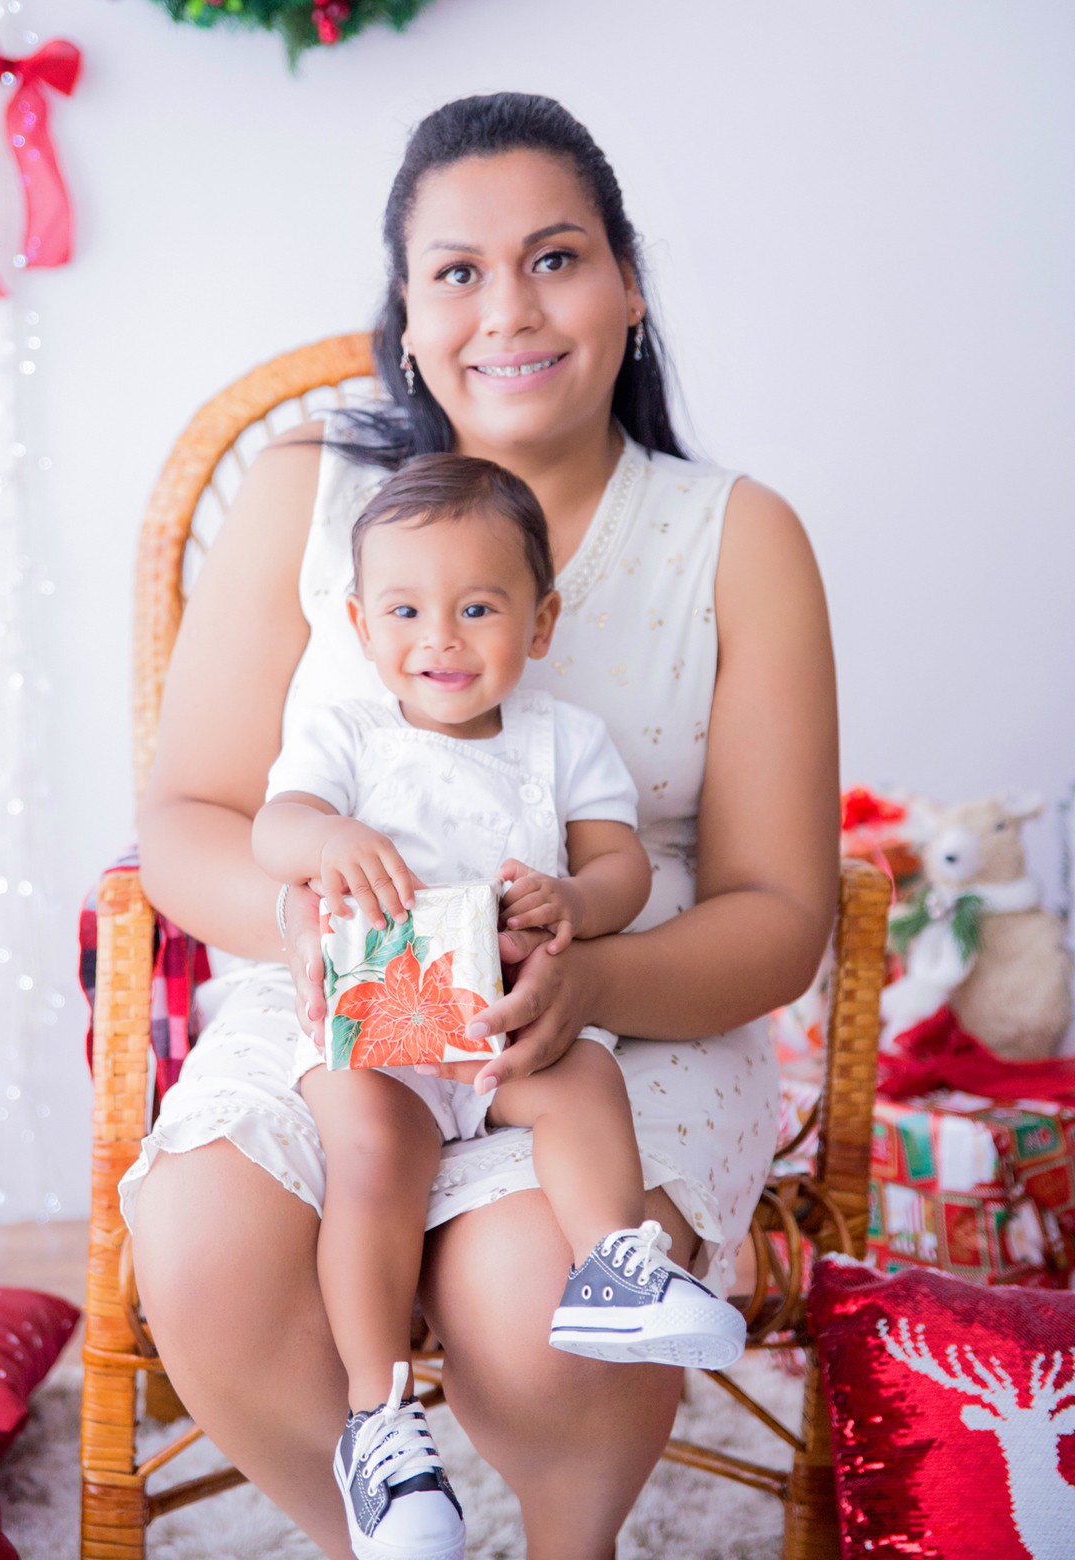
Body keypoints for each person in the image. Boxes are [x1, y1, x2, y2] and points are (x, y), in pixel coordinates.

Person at [125, 93, 838, 1560]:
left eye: (556, 257)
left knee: (537, 1310)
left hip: (618, 1011)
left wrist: (588, 975)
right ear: (405, 307)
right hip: (330, 991)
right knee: (200, 1241)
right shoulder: (306, 499)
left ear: (630, 285)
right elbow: (191, 817)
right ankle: (379, 1532)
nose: (506, 309)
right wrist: (331, 934)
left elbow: (779, 909)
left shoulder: (737, 537)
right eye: (456, 270)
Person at [252, 452, 748, 1559]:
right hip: (378, 1025)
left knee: (585, 1078)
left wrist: (574, 898)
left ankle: (615, 1263)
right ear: (361, 624)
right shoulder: (350, 735)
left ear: (541, 621)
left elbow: (621, 869)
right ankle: (380, 1420)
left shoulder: (564, 740)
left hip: (502, 1022)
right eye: (406, 610)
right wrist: (328, 840)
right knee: (374, 1151)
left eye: (478, 607)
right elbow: (271, 830)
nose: (440, 637)